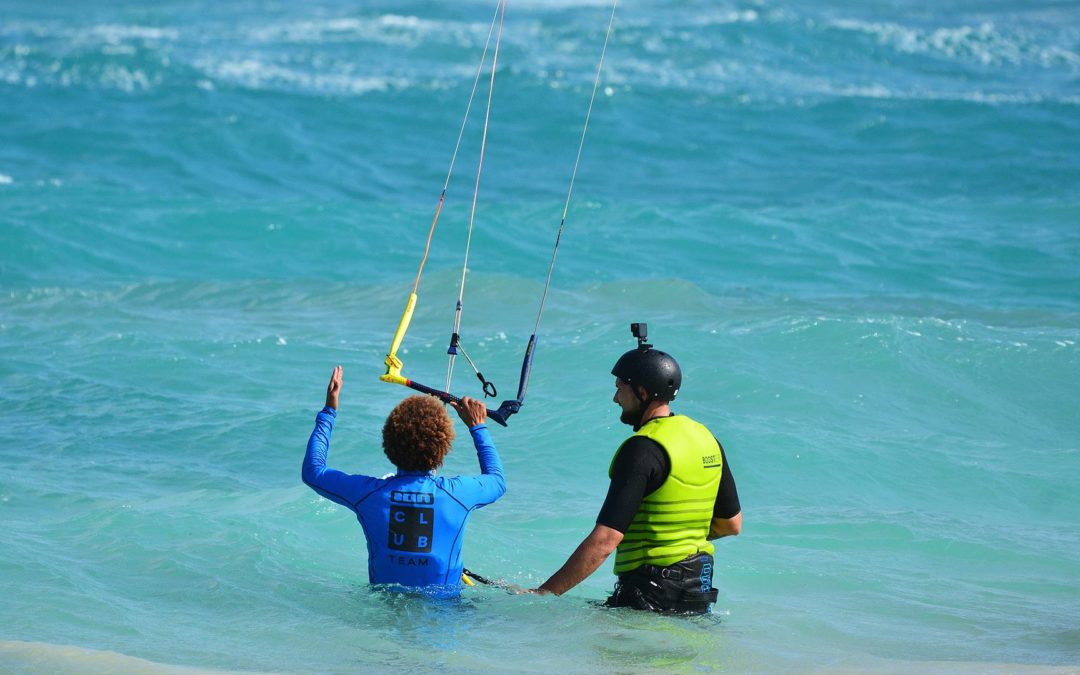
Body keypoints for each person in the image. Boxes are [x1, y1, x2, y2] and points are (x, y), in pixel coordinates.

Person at [535, 325, 741, 614]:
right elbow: (731, 524)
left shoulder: (642, 448)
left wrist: (542, 594)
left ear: (642, 392)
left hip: (650, 594)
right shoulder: (707, 438)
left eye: (620, 388)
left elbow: (605, 541)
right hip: (699, 590)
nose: (615, 399)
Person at [302, 366, 505, 592]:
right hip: (445, 617)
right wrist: (478, 426)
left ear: (388, 444)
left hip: (386, 613)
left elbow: (314, 471)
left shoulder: (368, 494)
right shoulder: (457, 494)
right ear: (444, 447)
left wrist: (329, 411)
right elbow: (496, 480)